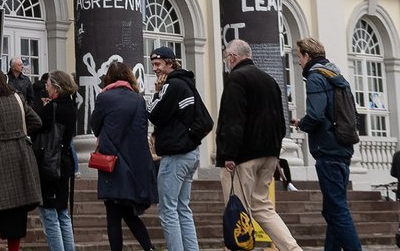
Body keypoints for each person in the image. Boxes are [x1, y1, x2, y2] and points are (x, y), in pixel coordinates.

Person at [214, 39, 300, 251]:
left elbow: (233, 119)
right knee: (263, 207)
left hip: (243, 156)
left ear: (233, 57)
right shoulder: (269, 80)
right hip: (269, 153)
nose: (226, 62)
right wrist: (274, 151)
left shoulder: (237, 79)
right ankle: (293, 249)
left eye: (226, 57)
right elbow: (280, 120)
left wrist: (229, 155)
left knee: (239, 211)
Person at [296, 37, 362, 251]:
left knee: (338, 209)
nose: (298, 62)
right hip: (343, 147)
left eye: (299, 56)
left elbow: (315, 115)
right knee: (332, 209)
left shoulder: (316, 77)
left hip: (327, 148)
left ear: (307, 56)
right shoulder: (337, 76)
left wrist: (302, 124)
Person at [89, 59, 156, 251]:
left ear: (108, 79)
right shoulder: (138, 99)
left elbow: (95, 126)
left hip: (112, 162)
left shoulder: (104, 97)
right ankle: (149, 248)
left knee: (113, 216)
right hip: (134, 164)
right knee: (129, 213)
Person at [0, 64, 42, 251]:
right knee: (17, 210)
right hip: (20, 157)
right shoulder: (18, 98)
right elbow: (37, 122)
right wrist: (20, 135)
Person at [146, 45, 205, 251]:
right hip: (190, 153)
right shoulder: (187, 83)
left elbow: (153, 113)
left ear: (170, 63)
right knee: (182, 208)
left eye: (158, 64)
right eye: (153, 64)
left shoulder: (171, 86)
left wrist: (156, 93)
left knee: (167, 210)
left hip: (176, 156)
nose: (155, 68)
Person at [33, 71, 80, 251]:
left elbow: (34, 126)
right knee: (63, 213)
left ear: (57, 88)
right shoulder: (71, 107)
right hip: (65, 161)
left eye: (49, 84)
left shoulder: (52, 108)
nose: (46, 87)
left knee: (50, 215)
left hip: (50, 164)